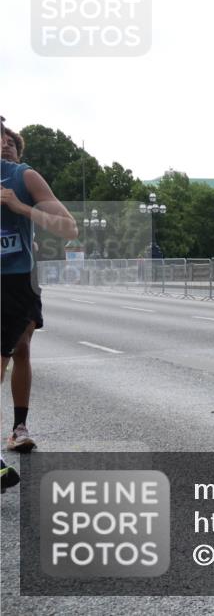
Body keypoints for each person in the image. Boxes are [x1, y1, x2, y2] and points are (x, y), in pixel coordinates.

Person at [2, 118, 78, 461]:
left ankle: (19, 428)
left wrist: (21, 208)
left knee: (20, 348)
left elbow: (69, 228)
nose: (5, 143)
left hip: (18, 278)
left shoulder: (23, 177)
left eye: (9, 140)